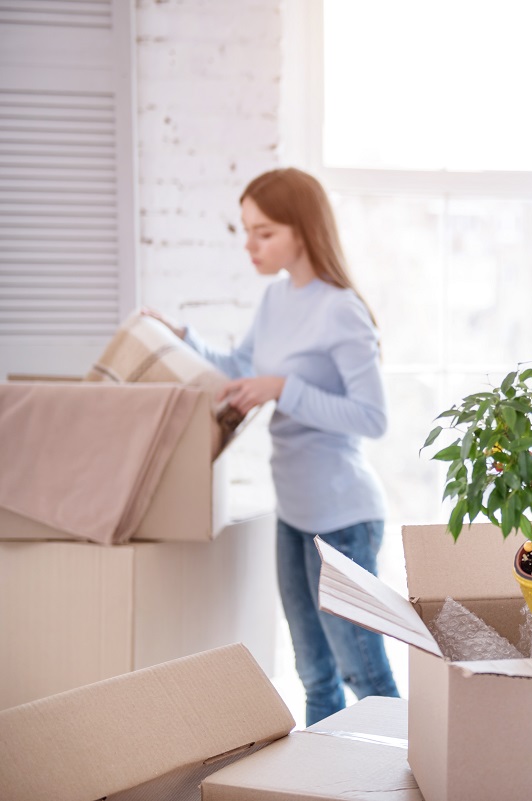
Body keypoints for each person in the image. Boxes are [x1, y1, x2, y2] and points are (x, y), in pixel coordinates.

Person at [146, 167, 400, 725]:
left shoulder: (341, 309)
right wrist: (180, 338)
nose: (249, 245)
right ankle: (321, 783)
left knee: (365, 676)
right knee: (314, 674)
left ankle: (414, 778)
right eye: (246, 230)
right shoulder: (275, 300)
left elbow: (372, 417)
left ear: (302, 231)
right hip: (294, 515)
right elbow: (242, 370)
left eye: (263, 232)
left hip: (343, 519)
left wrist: (286, 389)